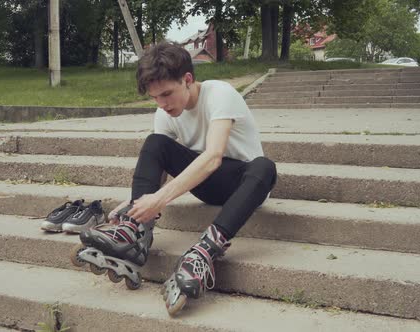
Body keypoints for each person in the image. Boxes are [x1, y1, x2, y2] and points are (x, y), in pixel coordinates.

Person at [76, 42, 277, 316]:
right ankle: (134, 231)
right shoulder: (164, 113)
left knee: (265, 167)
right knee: (156, 143)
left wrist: (159, 199)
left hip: (245, 185)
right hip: (207, 186)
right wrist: (134, 205)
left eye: (167, 94)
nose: (162, 104)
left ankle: (204, 252)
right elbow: (159, 168)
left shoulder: (220, 94)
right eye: (155, 97)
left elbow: (213, 156)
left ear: (188, 79)